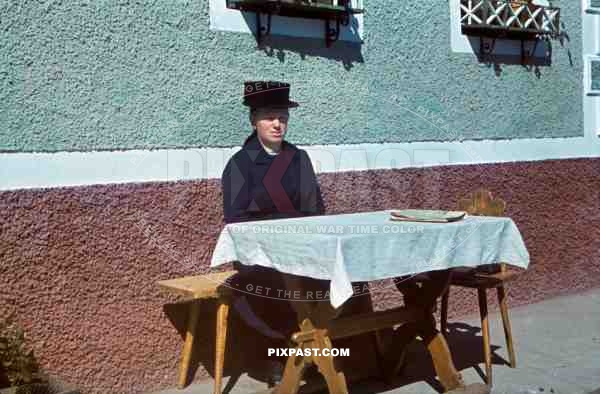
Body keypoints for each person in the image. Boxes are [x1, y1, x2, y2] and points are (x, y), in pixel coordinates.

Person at [221, 80, 325, 344]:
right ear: (254, 121)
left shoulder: (299, 158)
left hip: (302, 248)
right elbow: (237, 223)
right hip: (260, 256)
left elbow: (314, 210)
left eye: (283, 117)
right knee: (271, 289)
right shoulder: (240, 164)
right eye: (269, 118)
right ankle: (279, 354)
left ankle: (331, 348)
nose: (277, 124)